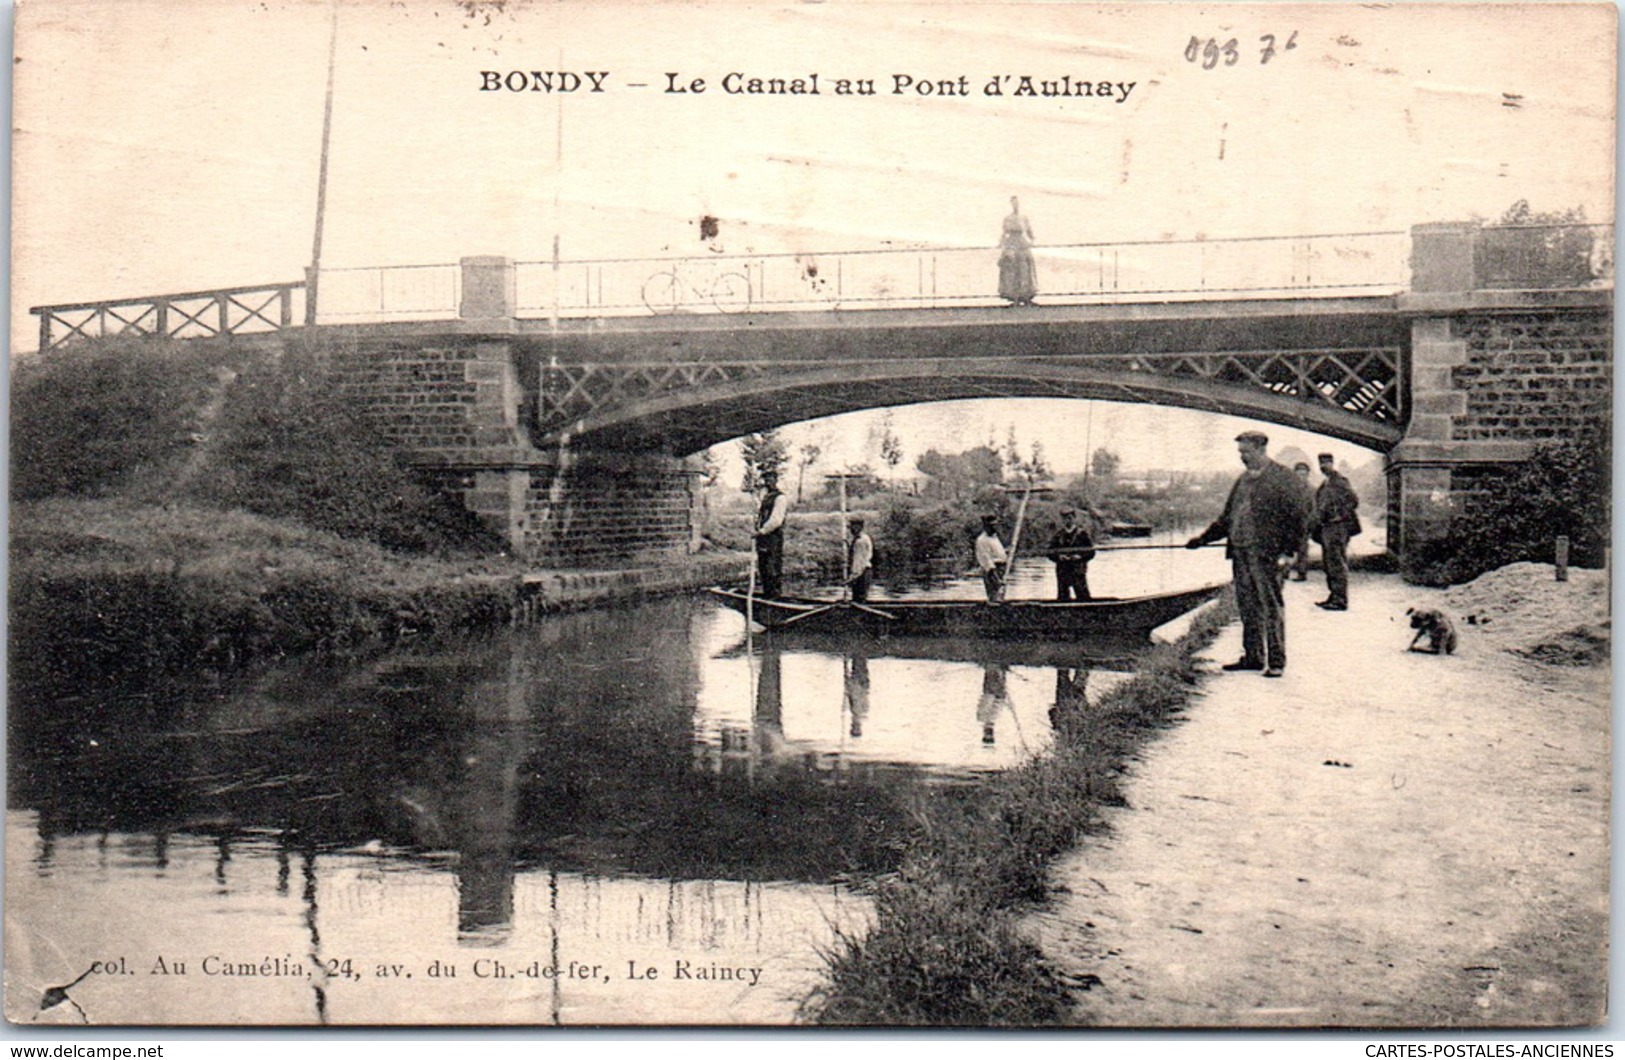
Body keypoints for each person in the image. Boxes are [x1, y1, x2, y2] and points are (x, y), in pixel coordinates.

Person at [1186, 430, 1312, 678]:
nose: (1242, 457)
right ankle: (1253, 657)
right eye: (1240, 452)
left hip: (1267, 554)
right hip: (1241, 553)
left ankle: (1276, 661)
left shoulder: (1283, 478)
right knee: (1247, 606)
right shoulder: (1243, 480)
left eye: (1246, 452)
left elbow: (1300, 519)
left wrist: (1288, 552)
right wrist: (1202, 539)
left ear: (1261, 448)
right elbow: (1226, 518)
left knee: (1270, 606)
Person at [1310, 452, 1361, 611]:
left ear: (1332, 463)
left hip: (1337, 528)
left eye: (1326, 463)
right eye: (1321, 464)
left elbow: (1353, 500)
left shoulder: (1339, 481)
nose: (1323, 467)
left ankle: (1340, 600)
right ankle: (1333, 596)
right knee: (1329, 563)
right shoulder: (1326, 483)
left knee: (1336, 564)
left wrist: (1339, 516)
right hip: (1327, 528)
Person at [1047, 506, 1096, 601]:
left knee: (1083, 596)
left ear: (1074, 518)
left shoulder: (1082, 535)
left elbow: (1091, 552)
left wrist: (1079, 557)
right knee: (1063, 597)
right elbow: (1050, 553)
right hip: (1062, 570)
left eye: (1069, 518)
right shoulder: (1058, 535)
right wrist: (1059, 557)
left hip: (1077, 570)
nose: (1067, 521)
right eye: (1065, 518)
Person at [753, 469, 788, 598]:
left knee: (772, 566)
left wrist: (762, 531)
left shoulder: (780, 498)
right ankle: (767, 595)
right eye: (766, 480)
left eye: (770, 479)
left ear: (776, 480)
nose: (768, 482)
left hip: (773, 536)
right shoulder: (765, 497)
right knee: (763, 567)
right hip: (763, 537)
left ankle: (774, 596)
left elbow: (776, 520)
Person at [998, 196, 1037, 306]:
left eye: (1017, 203)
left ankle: (1026, 295)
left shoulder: (1024, 218)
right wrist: (1002, 245)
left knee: (1025, 269)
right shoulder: (1008, 218)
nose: (1016, 205)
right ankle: (1014, 296)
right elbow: (1004, 233)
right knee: (1013, 269)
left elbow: (1030, 232)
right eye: (1014, 203)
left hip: (1022, 244)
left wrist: (1031, 241)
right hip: (1012, 243)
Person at [1287, 462, 1313, 582]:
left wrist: (1310, 522)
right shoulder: (1288, 490)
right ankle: (1284, 571)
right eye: (1299, 474)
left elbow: (1314, 508)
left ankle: (1302, 573)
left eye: (1304, 474)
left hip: (1304, 523)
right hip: (1290, 523)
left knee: (1302, 549)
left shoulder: (1312, 490)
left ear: (1307, 475)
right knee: (1287, 548)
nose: (1301, 477)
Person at [975, 514, 1008, 602]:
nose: (995, 528)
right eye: (992, 526)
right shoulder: (982, 540)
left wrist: (1006, 552)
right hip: (992, 572)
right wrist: (996, 577)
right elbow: (987, 561)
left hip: (1001, 569)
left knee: (1000, 595)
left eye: (996, 525)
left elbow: (996, 553)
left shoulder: (994, 538)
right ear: (986, 527)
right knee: (995, 595)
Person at [847, 517, 874, 603]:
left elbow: (859, 560)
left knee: (859, 599)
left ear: (858, 527)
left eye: (852, 527)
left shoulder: (860, 541)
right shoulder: (862, 538)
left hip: (862, 572)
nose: (850, 529)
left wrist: (853, 576)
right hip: (863, 571)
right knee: (859, 599)